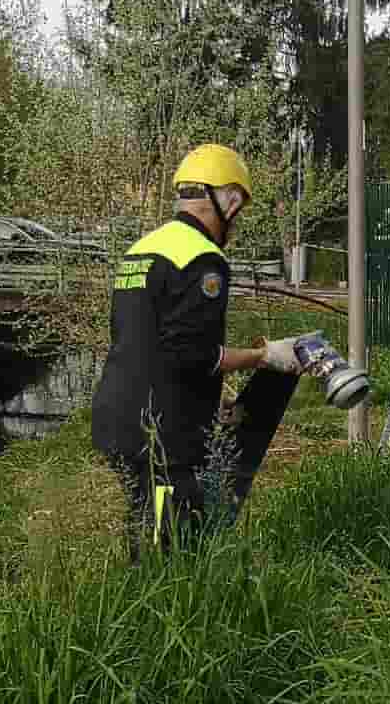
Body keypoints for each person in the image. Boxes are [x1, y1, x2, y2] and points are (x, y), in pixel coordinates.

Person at [89, 143, 306, 559]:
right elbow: (196, 354)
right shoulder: (205, 259)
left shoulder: (141, 251)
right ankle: (167, 613)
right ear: (226, 199)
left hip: (118, 418)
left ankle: (137, 604)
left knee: (147, 528)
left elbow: (141, 342)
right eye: (237, 206)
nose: (236, 220)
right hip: (164, 434)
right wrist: (264, 357)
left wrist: (211, 397)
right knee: (174, 547)